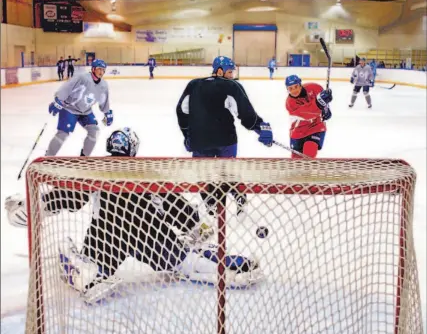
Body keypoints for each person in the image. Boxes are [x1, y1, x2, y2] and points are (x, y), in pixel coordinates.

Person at [5, 128, 262, 303]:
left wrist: (34, 206)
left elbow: (70, 198)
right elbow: (174, 204)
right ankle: (231, 265)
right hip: (151, 237)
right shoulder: (147, 172)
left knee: (95, 263)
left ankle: (92, 274)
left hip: (108, 236)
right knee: (185, 261)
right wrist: (195, 225)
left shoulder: (95, 170)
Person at [176, 55, 273, 215]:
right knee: (229, 171)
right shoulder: (231, 86)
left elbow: (181, 111)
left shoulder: (193, 85)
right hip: (226, 139)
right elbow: (245, 113)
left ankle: (210, 203)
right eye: (229, 72)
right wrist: (260, 128)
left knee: (203, 174)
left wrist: (187, 135)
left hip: (200, 141)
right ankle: (239, 196)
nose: (231, 75)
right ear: (219, 71)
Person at [45, 58, 113, 157]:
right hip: (69, 109)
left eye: (103, 70)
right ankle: (48, 157)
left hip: (85, 111)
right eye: (99, 69)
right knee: (63, 133)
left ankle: (84, 158)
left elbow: (103, 100)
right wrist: (58, 100)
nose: (101, 72)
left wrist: (107, 112)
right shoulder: (82, 78)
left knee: (94, 131)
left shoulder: (103, 85)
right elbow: (67, 87)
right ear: (93, 69)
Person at [285, 74, 332, 159]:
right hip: (298, 131)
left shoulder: (314, 87)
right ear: (287, 89)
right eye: (290, 88)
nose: (294, 90)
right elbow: (307, 114)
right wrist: (319, 104)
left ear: (300, 85)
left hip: (316, 126)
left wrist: (326, 108)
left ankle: (308, 172)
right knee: (296, 161)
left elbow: (323, 98)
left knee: (309, 154)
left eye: (296, 86)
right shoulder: (290, 103)